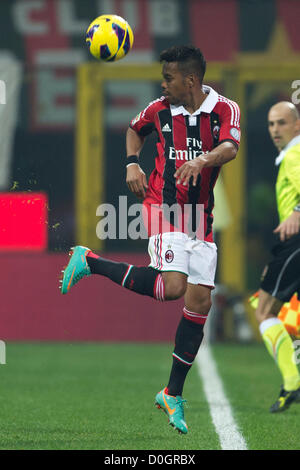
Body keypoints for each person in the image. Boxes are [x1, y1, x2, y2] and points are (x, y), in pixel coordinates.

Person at [60, 45, 240, 434]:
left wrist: (202, 160)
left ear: (191, 80)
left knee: (200, 300)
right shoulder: (159, 109)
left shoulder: (225, 109)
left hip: (200, 217)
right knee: (173, 287)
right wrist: (131, 163)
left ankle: (172, 393)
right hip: (164, 205)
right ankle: (88, 260)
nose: (163, 84)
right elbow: (133, 129)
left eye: (170, 78)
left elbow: (230, 147)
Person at [254, 101, 300, 413]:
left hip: (295, 243)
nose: (275, 130)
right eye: (271, 124)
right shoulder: (289, 156)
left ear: (296, 125)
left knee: (264, 308)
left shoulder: (295, 155)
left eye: (281, 123)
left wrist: (297, 212)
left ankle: (292, 382)